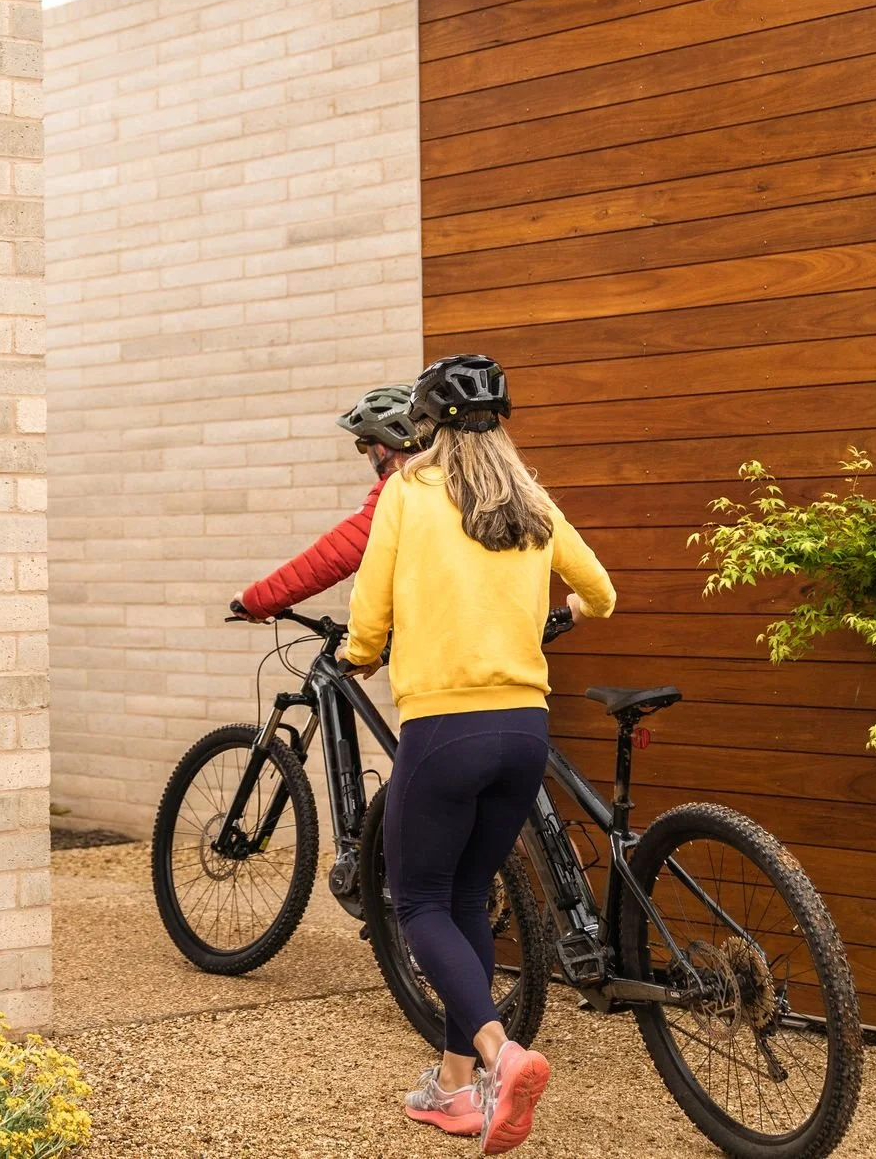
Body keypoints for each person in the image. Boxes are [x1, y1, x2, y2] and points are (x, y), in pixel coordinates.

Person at [340, 354, 615, 1156]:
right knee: (465, 897)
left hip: (444, 729)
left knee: (418, 900)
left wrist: (361, 653)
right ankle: (457, 1089)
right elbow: (599, 591)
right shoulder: (531, 498)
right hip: (523, 732)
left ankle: (503, 1056)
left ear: (425, 428)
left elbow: (370, 607)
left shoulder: (408, 493)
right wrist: (560, 605)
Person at [234, 384, 422, 623]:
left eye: (364, 445)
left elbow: (331, 556)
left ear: (383, 446)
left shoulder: (402, 488)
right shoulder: (452, 480)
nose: (366, 454)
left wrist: (256, 600)